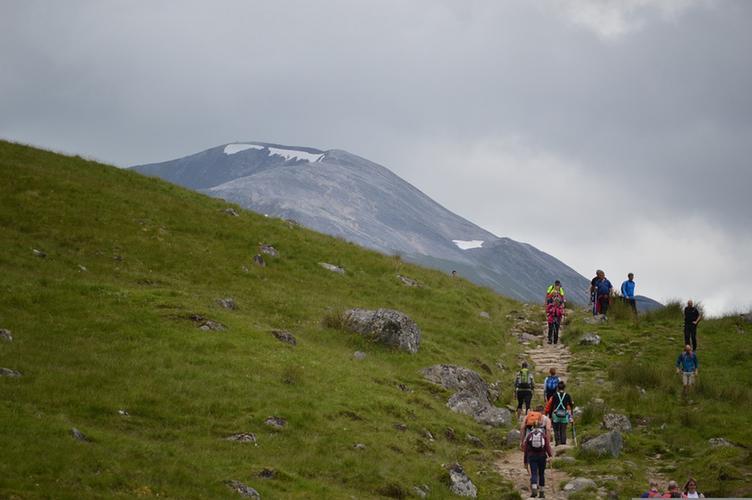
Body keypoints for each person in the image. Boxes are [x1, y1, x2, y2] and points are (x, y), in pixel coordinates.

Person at [522, 414, 553, 498]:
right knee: (541, 474)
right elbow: (547, 446)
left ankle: (534, 490)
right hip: (542, 456)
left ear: (532, 426)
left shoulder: (529, 435)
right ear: (540, 426)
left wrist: (525, 461)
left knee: (534, 473)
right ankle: (542, 492)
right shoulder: (543, 435)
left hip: (532, 457)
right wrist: (550, 455)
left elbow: (526, 450)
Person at [544, 381, 574, 446]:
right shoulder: (567, 395)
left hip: (556, 414)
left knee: (556, 429)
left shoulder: (554, 395)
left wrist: (550, 416)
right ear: (564, 388)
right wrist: (571, 415)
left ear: (557, 387)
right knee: (563, 430)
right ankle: (563, 443)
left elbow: (552, 406)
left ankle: (557, 443)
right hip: (564, 414)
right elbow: (571, 405)